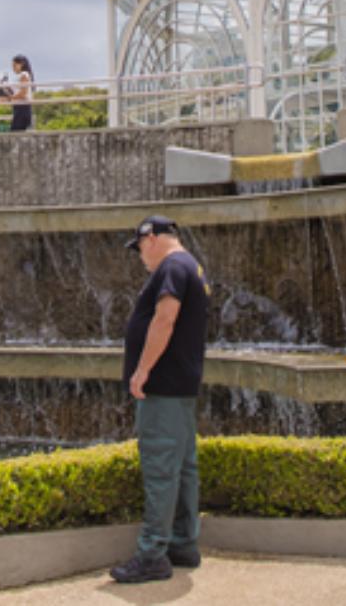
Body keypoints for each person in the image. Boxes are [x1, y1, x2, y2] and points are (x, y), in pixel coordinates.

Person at [111, 214, 210, 585]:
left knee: (160, 469)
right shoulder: (191, 267)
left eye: (139, 248)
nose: (140, 256)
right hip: (181, 384)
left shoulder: (172, 267)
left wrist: (142, 371)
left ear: (151, 238)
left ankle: (152, 554)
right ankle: (183, 543)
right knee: (184, 467)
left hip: (163, 386)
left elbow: (164, 319)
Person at [5, 55, 35, 132]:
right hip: (19, 107)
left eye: (15, 65)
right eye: (12, 66)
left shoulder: (24, 74)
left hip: (22, 107)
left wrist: (9, 98)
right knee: (16, 133)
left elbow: (23, 93)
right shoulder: (21, 75)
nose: (13, 68)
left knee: (15, 133)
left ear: (22, 64)